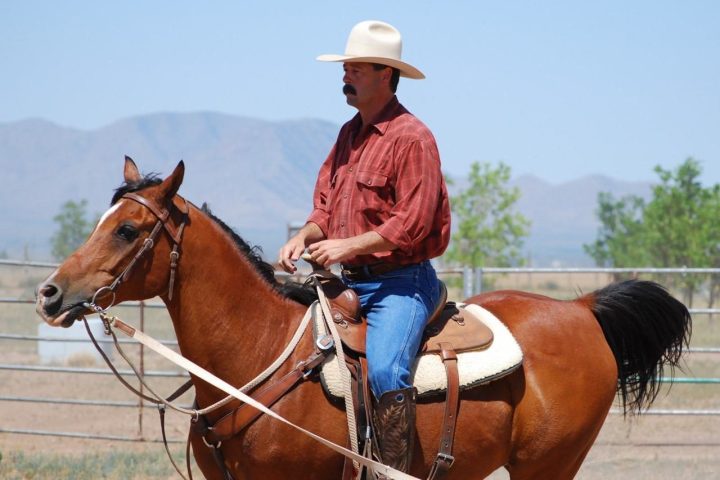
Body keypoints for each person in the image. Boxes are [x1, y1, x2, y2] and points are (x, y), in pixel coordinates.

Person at [278, 20, 450, 473]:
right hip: (350, 283)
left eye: (356, 68)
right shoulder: (348, 135)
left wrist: (345, 247)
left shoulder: (413, 139)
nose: (346, 75)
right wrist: (304, 235)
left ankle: (393, 472)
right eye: (347, 67)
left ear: (386, 75)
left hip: (402, 284)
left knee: (385, 372)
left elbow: (411, 225)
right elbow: (325, 209)